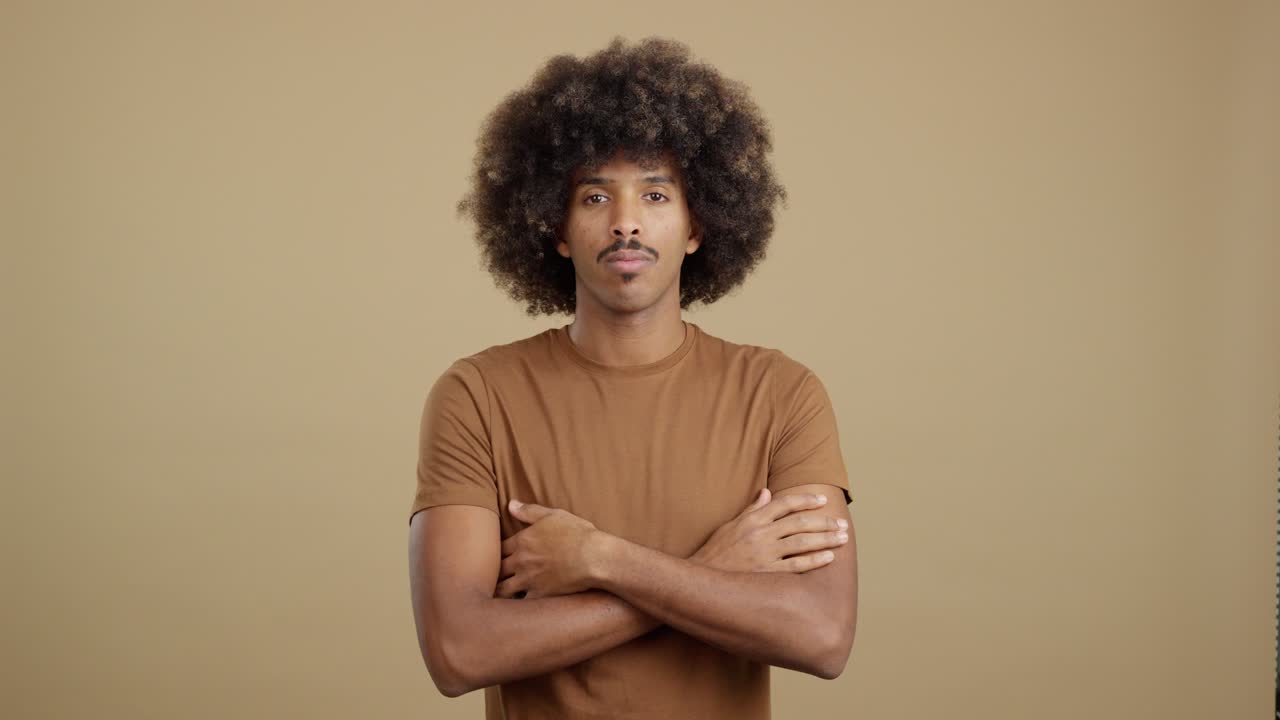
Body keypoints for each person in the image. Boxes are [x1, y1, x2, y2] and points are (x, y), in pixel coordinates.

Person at [408, 35, 857, 720]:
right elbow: (457, 652)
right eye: (595, 197)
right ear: (556, 229)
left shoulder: (782, 394)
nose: (625, 224)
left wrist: (602, 559)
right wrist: (713, 572)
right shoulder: (477, 396)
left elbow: (822, 636)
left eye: (654, 194)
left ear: (697, 225)